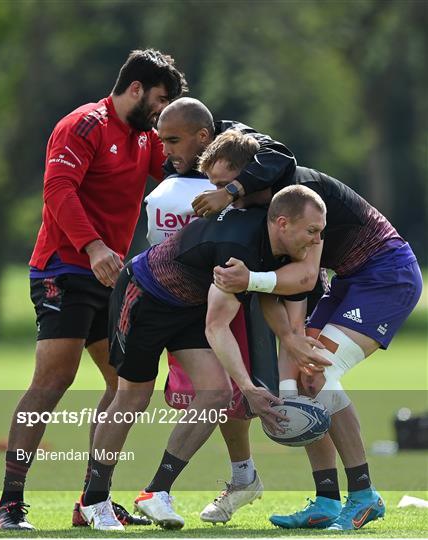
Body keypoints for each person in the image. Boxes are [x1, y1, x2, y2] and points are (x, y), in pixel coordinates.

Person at [79, 132, 328, 531]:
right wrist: (250, 388)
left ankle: (156, 491)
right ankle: (94, 500)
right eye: (312, 234)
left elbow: (278, 155)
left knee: (215, 393)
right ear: (283, 224)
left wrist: (287, 344)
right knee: (133, 397)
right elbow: (217, 326)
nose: (317, 243)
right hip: (144, 295)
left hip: (186, 307)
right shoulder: (243, 245)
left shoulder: (270, 223)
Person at [0, 49, 187, 531]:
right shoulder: (84, 125)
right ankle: (8, 504)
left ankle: (91, 500)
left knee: (123, 386)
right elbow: (58, 191)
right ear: (136, 89)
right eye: (161, 100)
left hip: (110, 277)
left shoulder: (147, 139)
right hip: (65, 269)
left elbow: (182, 177)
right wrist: (95, 247)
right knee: (53, 382)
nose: (163, 113)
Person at [213, 165, 423, 530]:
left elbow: (307, 277)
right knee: (301, 375)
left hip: (386, 275)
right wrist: (288, 388)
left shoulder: (294, 196)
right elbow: (287, 305)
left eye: (224, 183)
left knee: (319, 373)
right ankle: (326, 500)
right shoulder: (264, 221)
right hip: (349, 281)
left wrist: (250, 279)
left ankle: (364, 495)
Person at [153, 97, 328, 524]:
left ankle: (333, 495)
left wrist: (227, 192)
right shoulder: (177, 175)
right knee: (230, 393)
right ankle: (244, 476)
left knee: (266, 392)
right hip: (212, 292)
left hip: (256, 291)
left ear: (203, 136)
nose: (165, 150)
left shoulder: (249, 154)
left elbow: (280, 158)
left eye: (172, 140)